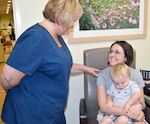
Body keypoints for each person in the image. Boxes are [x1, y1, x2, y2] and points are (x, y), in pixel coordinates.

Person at [0, 0, 100, 124]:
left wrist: (86, 69)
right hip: (31, 114)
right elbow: (8, 77)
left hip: (52, 111)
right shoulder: (36, 37)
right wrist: (6, 86)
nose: (72, 25)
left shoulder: (56, 36)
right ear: (63, 16)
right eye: (73, 20)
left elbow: (59, 66)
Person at [97, 41, 146, 124]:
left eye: (117, 52)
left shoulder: (136, 74)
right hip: (111, 113)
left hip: (132, 113)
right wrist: (127, 112)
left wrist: (138, 107)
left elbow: (142, 103)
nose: (111, 55)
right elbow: (103, 107)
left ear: (126, 58)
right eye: (111, 51)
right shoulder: (103, 75)